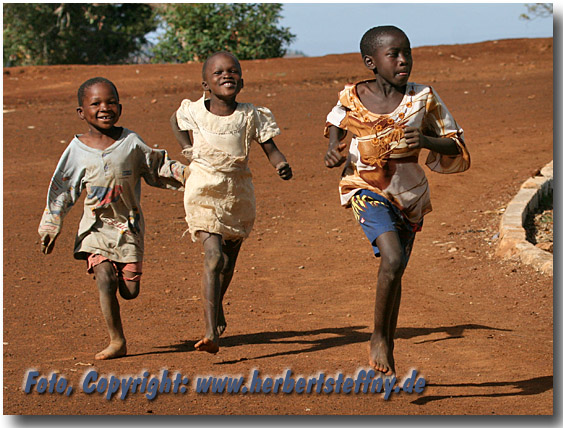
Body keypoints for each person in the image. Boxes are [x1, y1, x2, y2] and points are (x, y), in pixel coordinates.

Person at [324, 26, 470, 376]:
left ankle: (386, 335)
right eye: (394, 54)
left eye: (407, 52)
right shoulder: (352, 94)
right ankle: (379, 338)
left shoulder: (424, 98)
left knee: (395, 269)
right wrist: (332, 147)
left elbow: (455, 143)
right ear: (371, 62)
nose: (404, 60)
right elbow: (336, 120)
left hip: (409, 196)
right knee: (391, 256)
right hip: (364, 186)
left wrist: (425, 141)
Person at [38, 77, 187, 360]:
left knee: (130, 291)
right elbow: (63, 186)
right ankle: (117, 340)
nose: (104, 108)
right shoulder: (76, 149)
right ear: (81, 112)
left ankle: (124, 276)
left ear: (120, 107)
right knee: (104, 277)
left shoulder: (131, 142)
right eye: (95, 103)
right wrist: (51, 222)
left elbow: (156, 165)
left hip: (129, 228)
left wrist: (189, 176)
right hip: (95, 228)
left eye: (110, 102)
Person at [170, 51, 293, 354]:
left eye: (233, 71)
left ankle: (217, 305)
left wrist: (280, 164)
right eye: (218, 73)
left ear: (242, 80)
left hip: (237, 193)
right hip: (202, 189)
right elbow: (175, 121)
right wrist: (188, 149)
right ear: (205, 84)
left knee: (228, 261)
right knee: (213, 257)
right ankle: (211, 330)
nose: (227, 76)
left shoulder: (250, 115)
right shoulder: (195, 111)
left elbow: (270, 148)